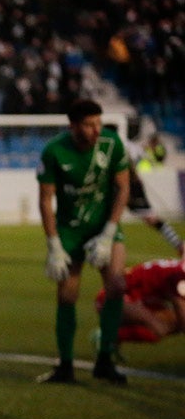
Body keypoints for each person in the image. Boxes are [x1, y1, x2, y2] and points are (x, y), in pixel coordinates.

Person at [36, 98, 130, 385]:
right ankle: (65, 365)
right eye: (89, 125)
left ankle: (105, 359)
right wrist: (53, 244)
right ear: (73, 126)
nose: (96, 130)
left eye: (98, 123)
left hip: (104, 226)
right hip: (70, 230)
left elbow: (123, 187)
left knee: (116, 285)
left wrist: (109, 231)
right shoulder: (53, 151)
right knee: (67, 295)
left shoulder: (112, 144)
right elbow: (45, 199)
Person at [93, 258, 185, 348]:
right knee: (159, 327)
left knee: (170, 322)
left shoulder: (180, 270)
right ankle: (108, 335)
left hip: (137, 300)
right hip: (111, 299)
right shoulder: (179, 277)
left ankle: (114, 335)